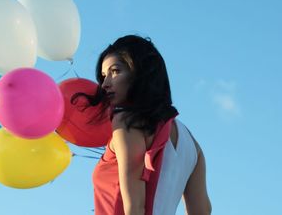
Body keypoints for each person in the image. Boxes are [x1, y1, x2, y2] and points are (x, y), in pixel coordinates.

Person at [76, 35, 211, 215]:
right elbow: (202, 211)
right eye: (103, 76)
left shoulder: (126, 121)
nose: (105, 84)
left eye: (115, 71)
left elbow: (134, 207)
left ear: (140, 72)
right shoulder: (192, 143)